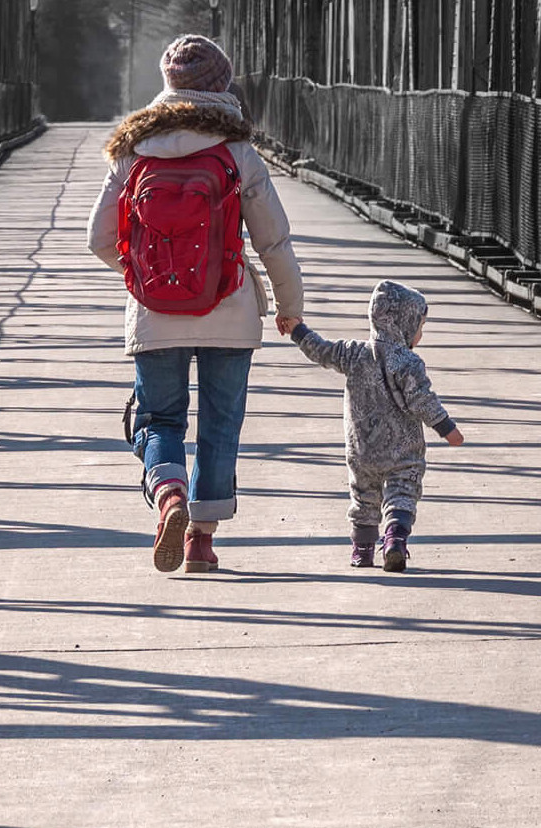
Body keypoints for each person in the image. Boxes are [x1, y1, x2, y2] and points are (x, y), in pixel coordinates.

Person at [87, 34, 304, 574]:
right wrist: (287, 304)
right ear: (221, 85)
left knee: (159, 418)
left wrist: (142, 273)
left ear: (168, 85)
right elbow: (273, 240)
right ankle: (201, 543)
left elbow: (97, 237)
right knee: (220, 421)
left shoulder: (133, 148)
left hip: (155, 312)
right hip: (228, 308)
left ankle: (168, 496)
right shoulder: (237, 152)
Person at [283, 280, 464, 572]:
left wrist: (298, 330)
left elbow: (322, 351)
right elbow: (422, 400)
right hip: (402, 451)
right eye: (419, 327)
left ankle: (362, 550)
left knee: (363, 498)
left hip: (362, 448)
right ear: (403, 324)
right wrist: (447, 429)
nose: (420, 334)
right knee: (402, 492)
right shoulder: (407, 362)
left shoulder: (354, 353)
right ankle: (394, 538)